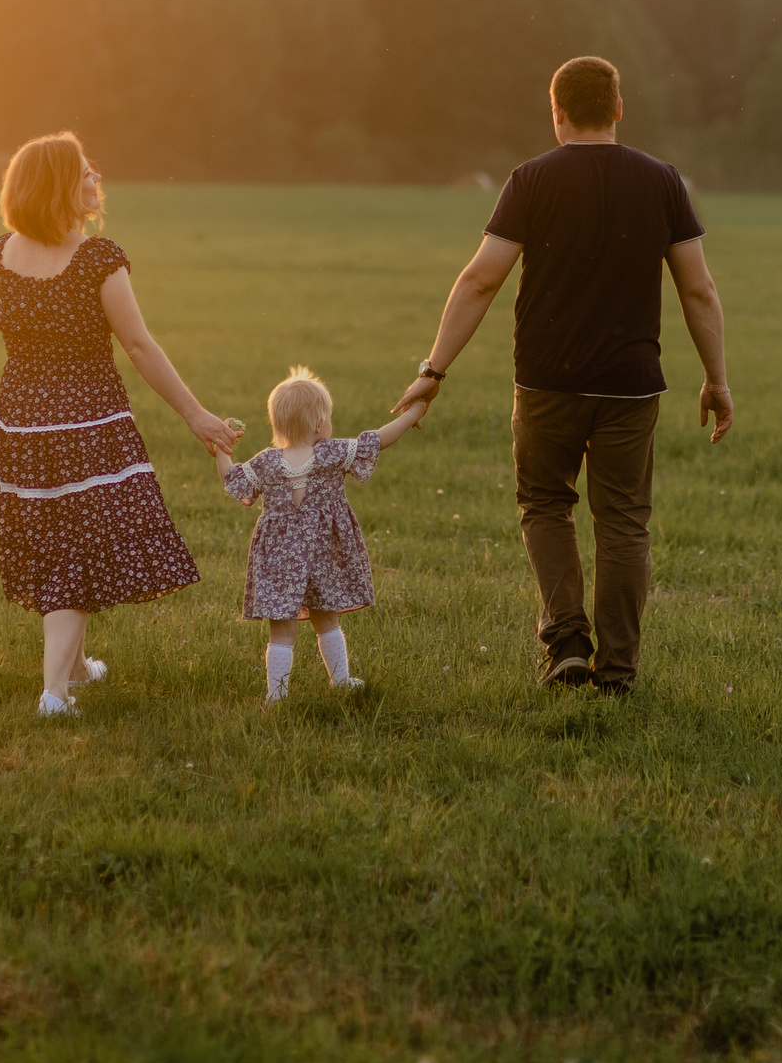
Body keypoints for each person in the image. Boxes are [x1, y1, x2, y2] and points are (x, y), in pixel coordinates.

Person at [393, 55, 731, 694]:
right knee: (624, 521)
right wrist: (717, 379)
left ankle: (569, 645)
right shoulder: (664, 181)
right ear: (618, 110)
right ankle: (620, 671)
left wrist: (433, 370)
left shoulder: (531, 180)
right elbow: (700, 291)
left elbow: (480, 278)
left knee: (545, 505)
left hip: (546, 381)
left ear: (557, 113)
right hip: (633, 386)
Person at [0, 132, 236, 716]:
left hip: (20, 430)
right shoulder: (100, 259)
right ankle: (54, 692)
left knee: (55, 543)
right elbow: (140, 347)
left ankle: (75, 665)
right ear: (58, 190)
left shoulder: (1, 256)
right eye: (84, 172)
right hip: (89, 426)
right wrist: (196, 415)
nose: (96, 178)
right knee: (76, 552)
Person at [214, 367, 427, 703]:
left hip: (279, 557)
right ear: (318, 424)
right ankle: (340, 681)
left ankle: (276, 695)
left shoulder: (266, 462)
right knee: (325, 615)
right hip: (323, 553)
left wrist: (221, 447)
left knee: (281, 626)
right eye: (328, 417)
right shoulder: (332, 453)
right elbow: (380, 438)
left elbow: (233, 480)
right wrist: (414, 411)